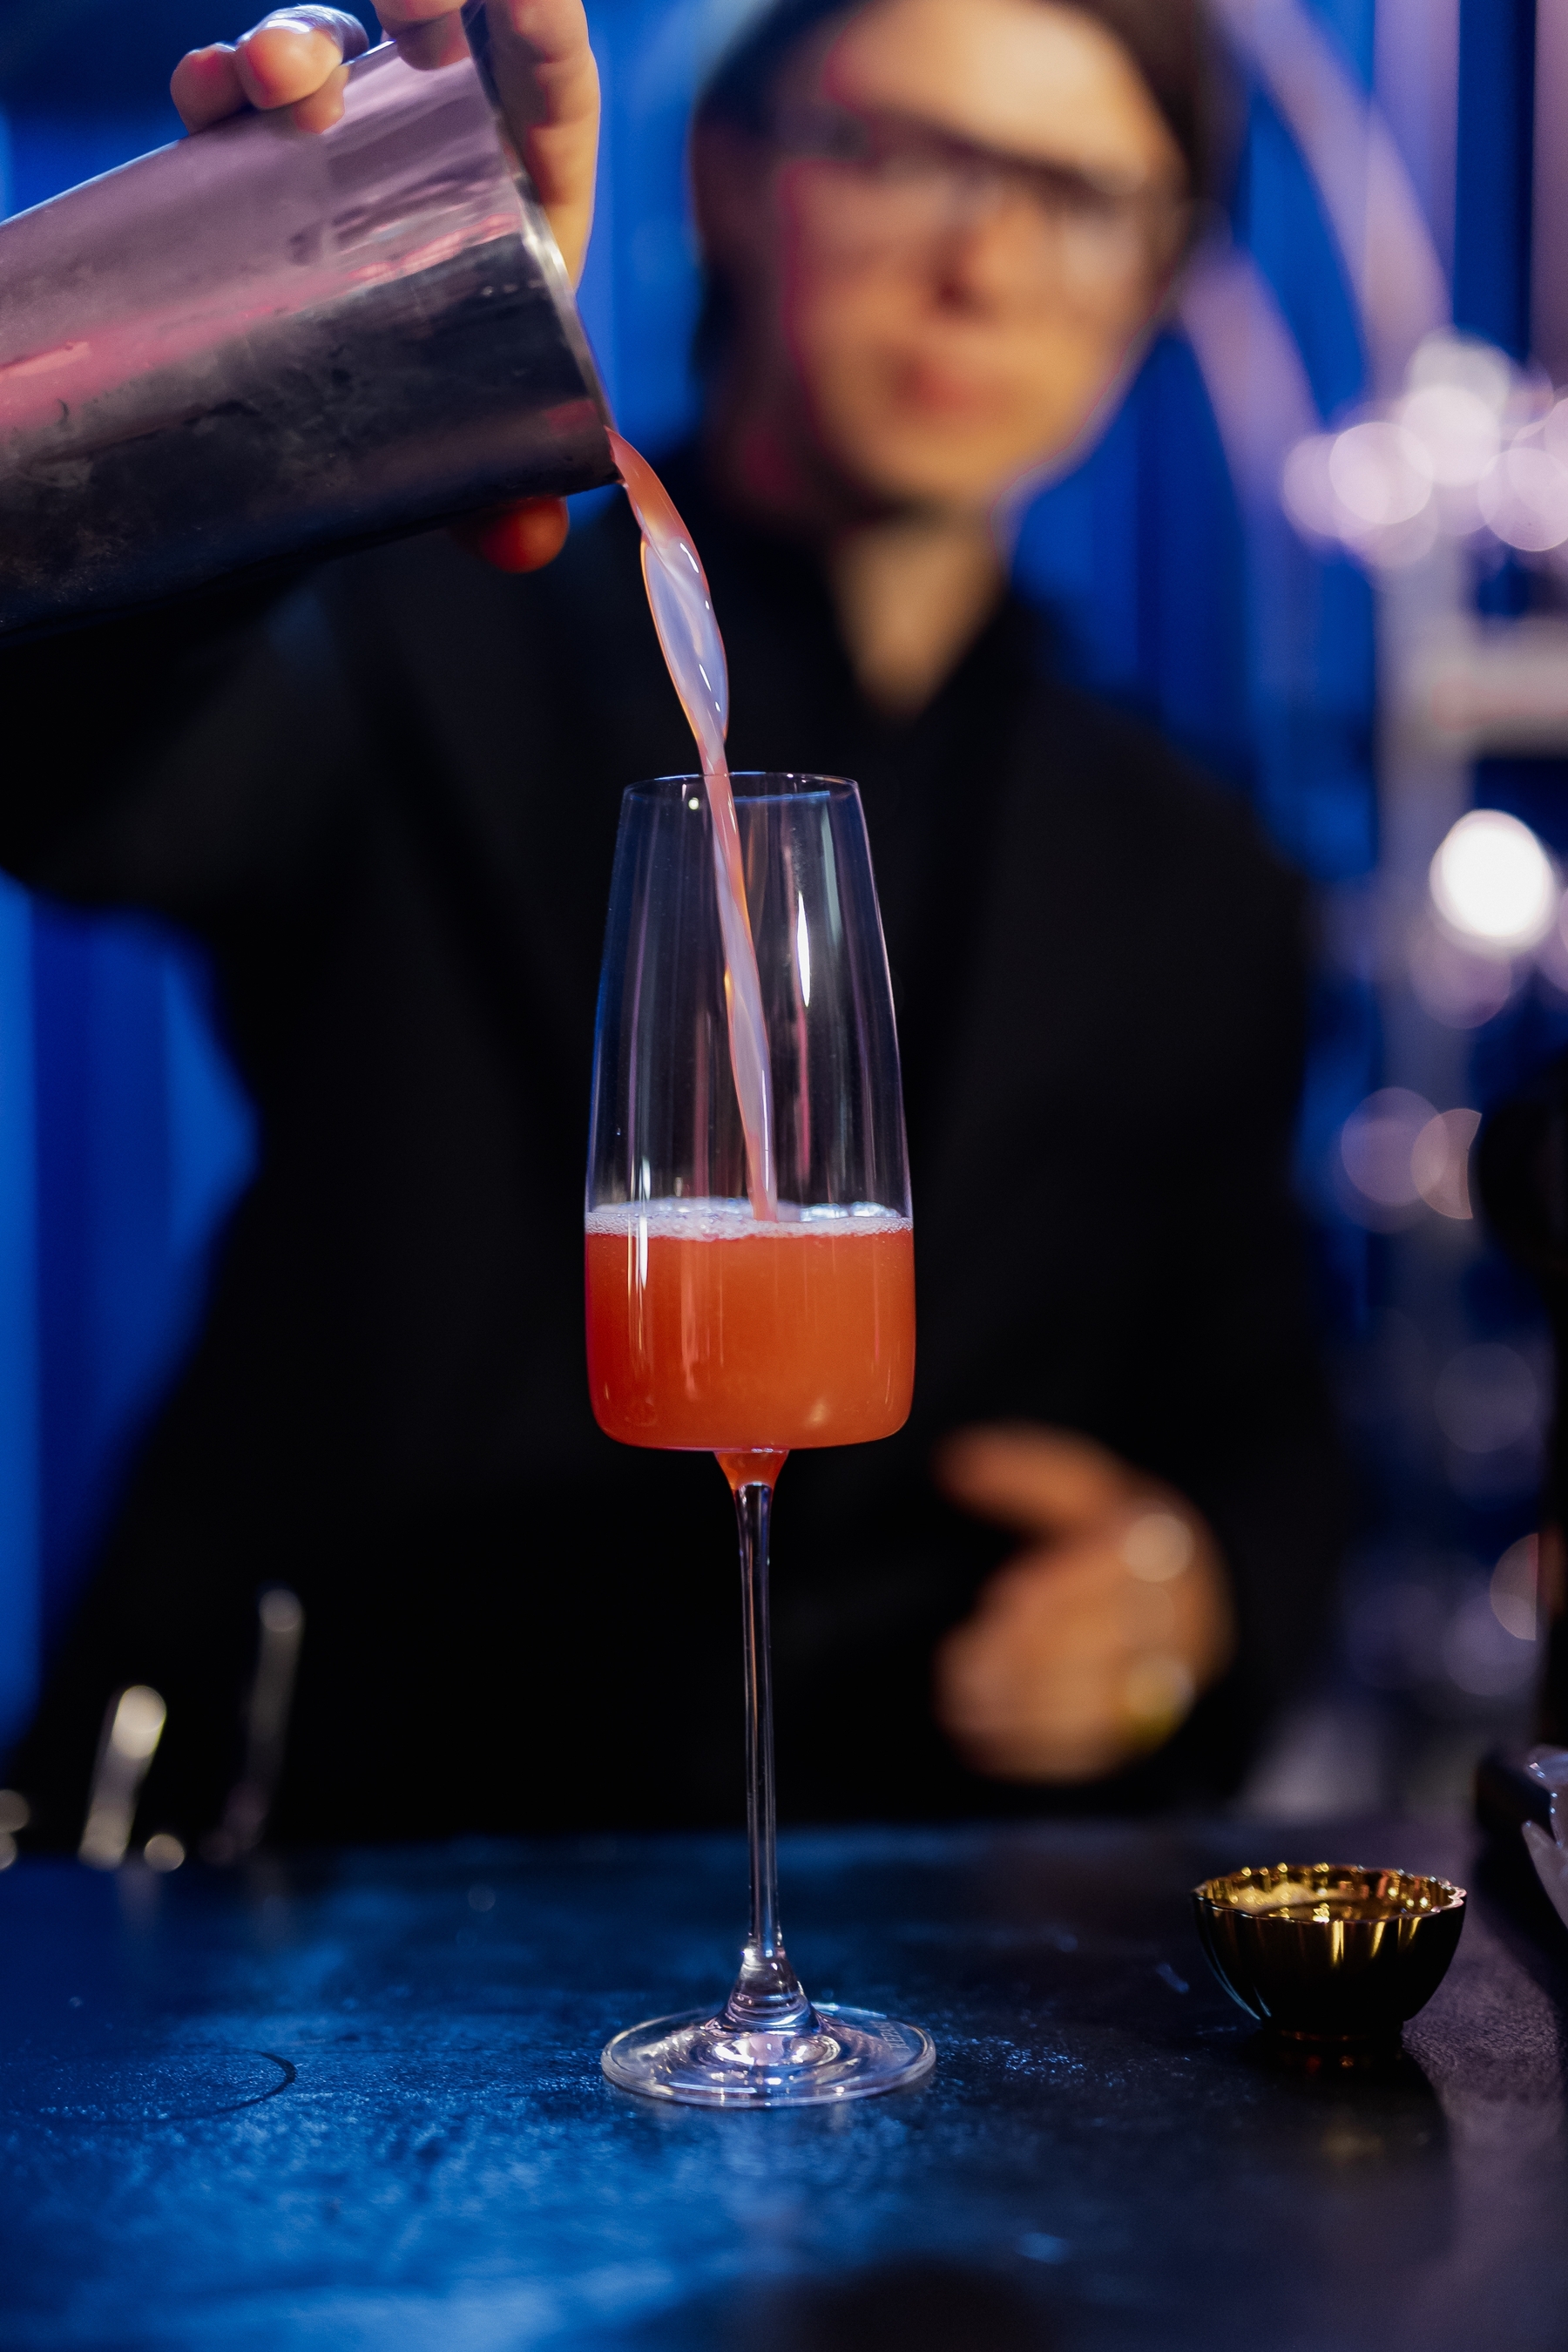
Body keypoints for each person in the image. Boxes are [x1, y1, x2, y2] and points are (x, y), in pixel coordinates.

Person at [2, 0, 1343, 1848]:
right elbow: (79, 765)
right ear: (726, 172)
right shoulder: (414, 633)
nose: (986, 267)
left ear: (1160, 277)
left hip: (900, 1894)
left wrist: (1194, 1595)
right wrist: (255, 318)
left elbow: (1266, 1404)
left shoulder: (1196, 868)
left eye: (1084, 199)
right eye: (908, 156)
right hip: (322, 1846)